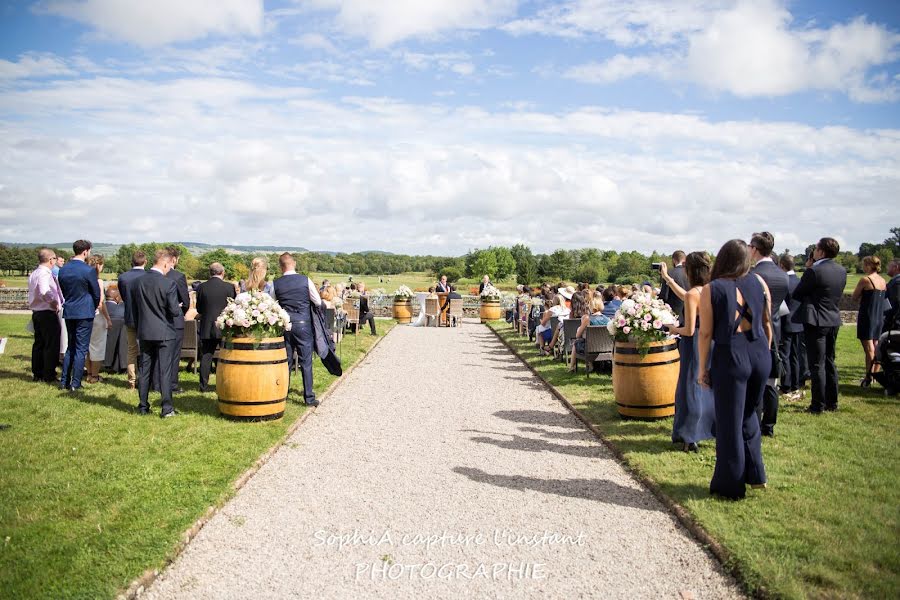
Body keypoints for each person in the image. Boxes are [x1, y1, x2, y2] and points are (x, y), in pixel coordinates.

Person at [698, 239, 771, 499]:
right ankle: (756, 474)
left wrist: (702, 367)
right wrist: (766, 351)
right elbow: (767, 321)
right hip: (760, 351)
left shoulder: (712, 289)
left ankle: (730, 486)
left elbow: (705, 333)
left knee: (729, 422)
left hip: (732, 355)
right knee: (749, 413)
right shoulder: (759, 282)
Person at [661, 252, 715, 452]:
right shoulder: (709, 290)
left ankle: (689, 435)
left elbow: (689, 329)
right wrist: (668, 279)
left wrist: (672, 328)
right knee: (704, 387)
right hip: (710, 341)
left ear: (690, 270)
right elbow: (686, 296)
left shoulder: (694, 294)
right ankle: (705, 430)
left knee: (690, 388)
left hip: (693, 343)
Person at [792, 237, 847, 413]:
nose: (814, 251)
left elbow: (798, 293)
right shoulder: (841, 270)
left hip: (816, 320)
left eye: (816, 248)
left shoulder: (814, 271)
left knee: (817, 364)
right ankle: (833, 401)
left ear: (821, 251)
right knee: (830, 361)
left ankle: (818, 404)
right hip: (833, 318)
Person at [749, 231, 789, 437]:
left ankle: (754, 422)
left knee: (755, 383)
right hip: (775, 329)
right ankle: (769, 425)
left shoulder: (754, 275)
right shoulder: (782, 274)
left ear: (754, 249)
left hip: (755, 332)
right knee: (771, 382)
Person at [135, 248, 181, 417]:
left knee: (145, 369)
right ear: (165, 263)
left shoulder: (139, 281)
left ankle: (142, 406)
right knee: (165, 370)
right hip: (164, 332)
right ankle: (167, 408)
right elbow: (175, 311)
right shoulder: (168, 283)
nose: (169, 269)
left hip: (145, 330)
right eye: (169, 266)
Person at [273, 252, 322, 406]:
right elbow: (318, 301)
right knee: (306, 362)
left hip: (286, 325)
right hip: (303, 324)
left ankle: (283, 394)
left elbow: (272, 304)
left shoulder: (276, 283)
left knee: (286, 360)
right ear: (293, 263)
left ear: (281, 266)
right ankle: (308, 397)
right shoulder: (305, 280)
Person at [58, 240, 101, 392]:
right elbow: (96, 293)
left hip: (70, 309)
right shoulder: (88, 270)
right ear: (85, 251)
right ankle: (76, 383)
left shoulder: (63, 269)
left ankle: (64, 381)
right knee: (81, 349)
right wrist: (93, 305)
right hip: (84, 310)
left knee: (71, 346)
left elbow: (63, 290)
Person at [195, 262, 236, 393]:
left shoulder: (201, 287)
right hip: (224, 327)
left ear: (210, 273)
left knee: (206, 356)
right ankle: (227, 383)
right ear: (222, 273)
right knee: (227, 356)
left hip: (207, 325)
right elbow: (233, 308)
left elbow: (199, 308)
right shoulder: (229, 287)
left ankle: (203, 386)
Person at [27, 248, 63, 383]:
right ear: (50, 260)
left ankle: (38, 373)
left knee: (39, 343)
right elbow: (44, 291)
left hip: (37, 312)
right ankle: (49, 374)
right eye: (54, 258)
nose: (55, 261)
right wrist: (54, 302)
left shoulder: (34, 273)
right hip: (47, 311)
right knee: (51, 344)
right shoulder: (44, 274)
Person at [852, 256, 887, 387]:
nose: (862, 267)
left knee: (869, 348)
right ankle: (874, 376)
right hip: (879, 316)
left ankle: (868, 377)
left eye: (864, 264)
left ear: (868, 265)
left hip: (867, 316)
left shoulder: (865, 280)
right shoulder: (883, 281)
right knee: (876, 346)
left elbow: (855, 297)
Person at [117, 250, 147, 390]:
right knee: (146, 349)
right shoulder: (148, 276)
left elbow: (124, 297)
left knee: (131, 350)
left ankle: (132, 381)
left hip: (130, 316)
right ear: (145, 262)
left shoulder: (123, 277)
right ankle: (145, 379)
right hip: (146, 318)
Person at [778, 254, 805, 400]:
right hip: (798, 322)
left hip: (786, 322)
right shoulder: (800, 281)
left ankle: (786, 385)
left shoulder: (784, 281)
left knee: (785, 356)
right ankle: (796, 383)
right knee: (795, 356)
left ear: (781, 265)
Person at [165, 247, 190, 394]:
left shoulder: (155, 275)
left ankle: (156, 382)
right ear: (174, 259)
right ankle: (172, 384)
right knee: (174, 355)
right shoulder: (178, 276)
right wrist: (181, 309)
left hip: (159, 319)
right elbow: (185, 301)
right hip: (175, 320)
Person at [85, 255, 112, 384]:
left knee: (87, 347)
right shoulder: (98, 281)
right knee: (97, 346)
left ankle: (89, 373)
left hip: (84, 315)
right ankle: (95, 375)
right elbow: (101, 302)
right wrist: (108, 318)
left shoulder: (82, 279)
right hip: (97, 316)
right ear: (98, 265)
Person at [568, 292, 609, 372]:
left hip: (589, 348)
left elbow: (577, 335)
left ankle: (572, 367)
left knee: (576, 343)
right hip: (605, 347)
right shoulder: (607, 319)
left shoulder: (587, 319)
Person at [660, 251, 689, 323]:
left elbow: (664, 296)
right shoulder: (691, 273)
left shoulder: (668, 273)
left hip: (674, 315)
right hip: (690, 314)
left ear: (673, 260)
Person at [883, 259, 900, 333]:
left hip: (894, 324)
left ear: (895, 267)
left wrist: (888, 321)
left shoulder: (897, 282)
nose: (887, 268)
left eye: (889, 266)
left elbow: (896, 303)